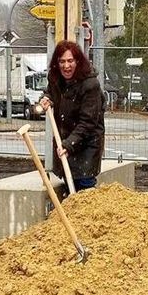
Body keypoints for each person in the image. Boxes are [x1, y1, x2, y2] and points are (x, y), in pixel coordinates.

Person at [38, 40, 105, 191]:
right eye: (62, 61)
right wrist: (47, 98)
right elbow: (51, 92)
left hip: (86, 145)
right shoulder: (55, 78)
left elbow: (88, 123)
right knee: (70, 185)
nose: (66, 66)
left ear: (78, 62)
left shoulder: (90, 85)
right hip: (65, 139)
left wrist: (69, 144)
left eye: (70, 61)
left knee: (84, 186)